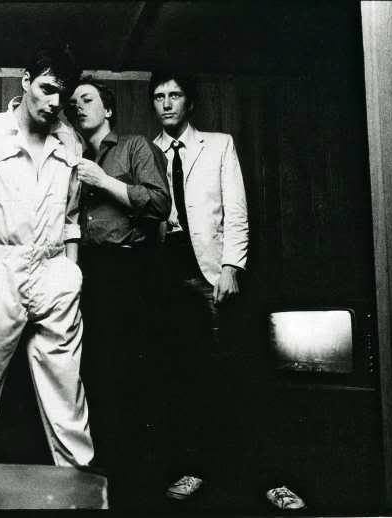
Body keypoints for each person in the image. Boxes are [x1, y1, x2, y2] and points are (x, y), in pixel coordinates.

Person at [0, 45, 93, 468]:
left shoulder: (70, 141)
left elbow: (71, 217)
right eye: (47, 89)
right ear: (26, 81)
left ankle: (80, 483)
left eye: (62, 95)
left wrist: (71, 271)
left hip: (53, 270)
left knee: (65, 386)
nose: (53, 102)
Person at [64, 78, 170, 505]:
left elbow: (160, 204)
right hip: (84, 271)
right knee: (92, 373)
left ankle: (136, 486)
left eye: (87, 99)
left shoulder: (134, 146)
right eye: (73, 102)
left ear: (108, 109)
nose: (78, 106)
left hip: (130, 272)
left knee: (132, 375)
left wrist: (104, 181)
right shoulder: (69, 155)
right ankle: (100, 480)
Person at [149, 70, 250, 501]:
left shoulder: (219, 144)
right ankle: (191, 469)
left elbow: (236, 211)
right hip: (164, 275)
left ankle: (240, 471)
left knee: (224, 372)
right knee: (177, 373)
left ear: (189, 102)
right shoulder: (147, 151)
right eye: (159, 96)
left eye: (175, 95)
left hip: (210, 272)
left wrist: (231, 268)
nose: (167, 103)